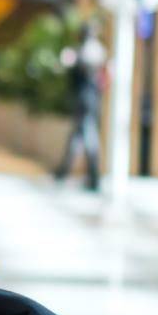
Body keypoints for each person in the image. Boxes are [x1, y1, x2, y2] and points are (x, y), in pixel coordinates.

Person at [53, 23, 103, 191]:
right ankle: (66, 172)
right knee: (79, 136)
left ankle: (92, 177)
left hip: (86, 100)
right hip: (88, 99)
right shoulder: (90, 50)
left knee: (87, 137)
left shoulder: (88, 51)